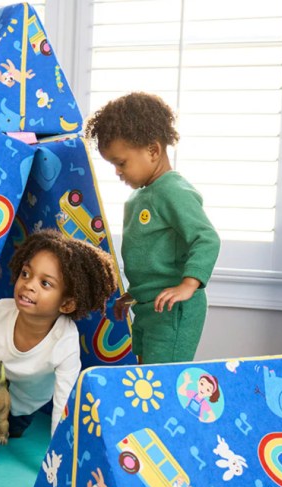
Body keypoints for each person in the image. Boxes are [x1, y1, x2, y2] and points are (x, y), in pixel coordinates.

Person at [0, 229, 118, 464]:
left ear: (66, 304)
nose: (29, 285)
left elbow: (63, 403)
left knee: (6, 433)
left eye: (45, 283)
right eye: (25, 274)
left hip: (21, 411)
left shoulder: (65, 341)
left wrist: (58, 456)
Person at [85, 92, 220, 364]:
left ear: (153, 150)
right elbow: (153, 259)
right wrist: (133, 295)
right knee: (146, 374)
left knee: (162, 381)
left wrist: (188, 285)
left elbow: (207, 238)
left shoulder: (173, 190)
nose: (117, 172)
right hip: (149, 307)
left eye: (121, 163)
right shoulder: (138, 198)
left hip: (174, 308)